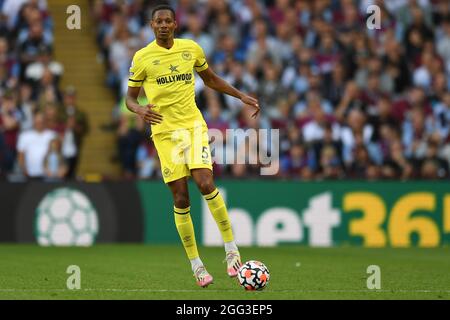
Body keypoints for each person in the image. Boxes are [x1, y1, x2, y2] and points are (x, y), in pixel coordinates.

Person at [125, 5, 260, 288]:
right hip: (164, 132)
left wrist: (241, 96)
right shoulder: (142, 58)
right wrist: (139, 111)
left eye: (167, 21)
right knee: (181, 199)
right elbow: (130, 98)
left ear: (175, 24)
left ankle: (231, 248)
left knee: (206, 183)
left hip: (193, 127)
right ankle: (197, 265)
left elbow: (210, 79)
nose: (162, 25)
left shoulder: (191, 49)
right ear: (152, 25)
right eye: (158, 21)